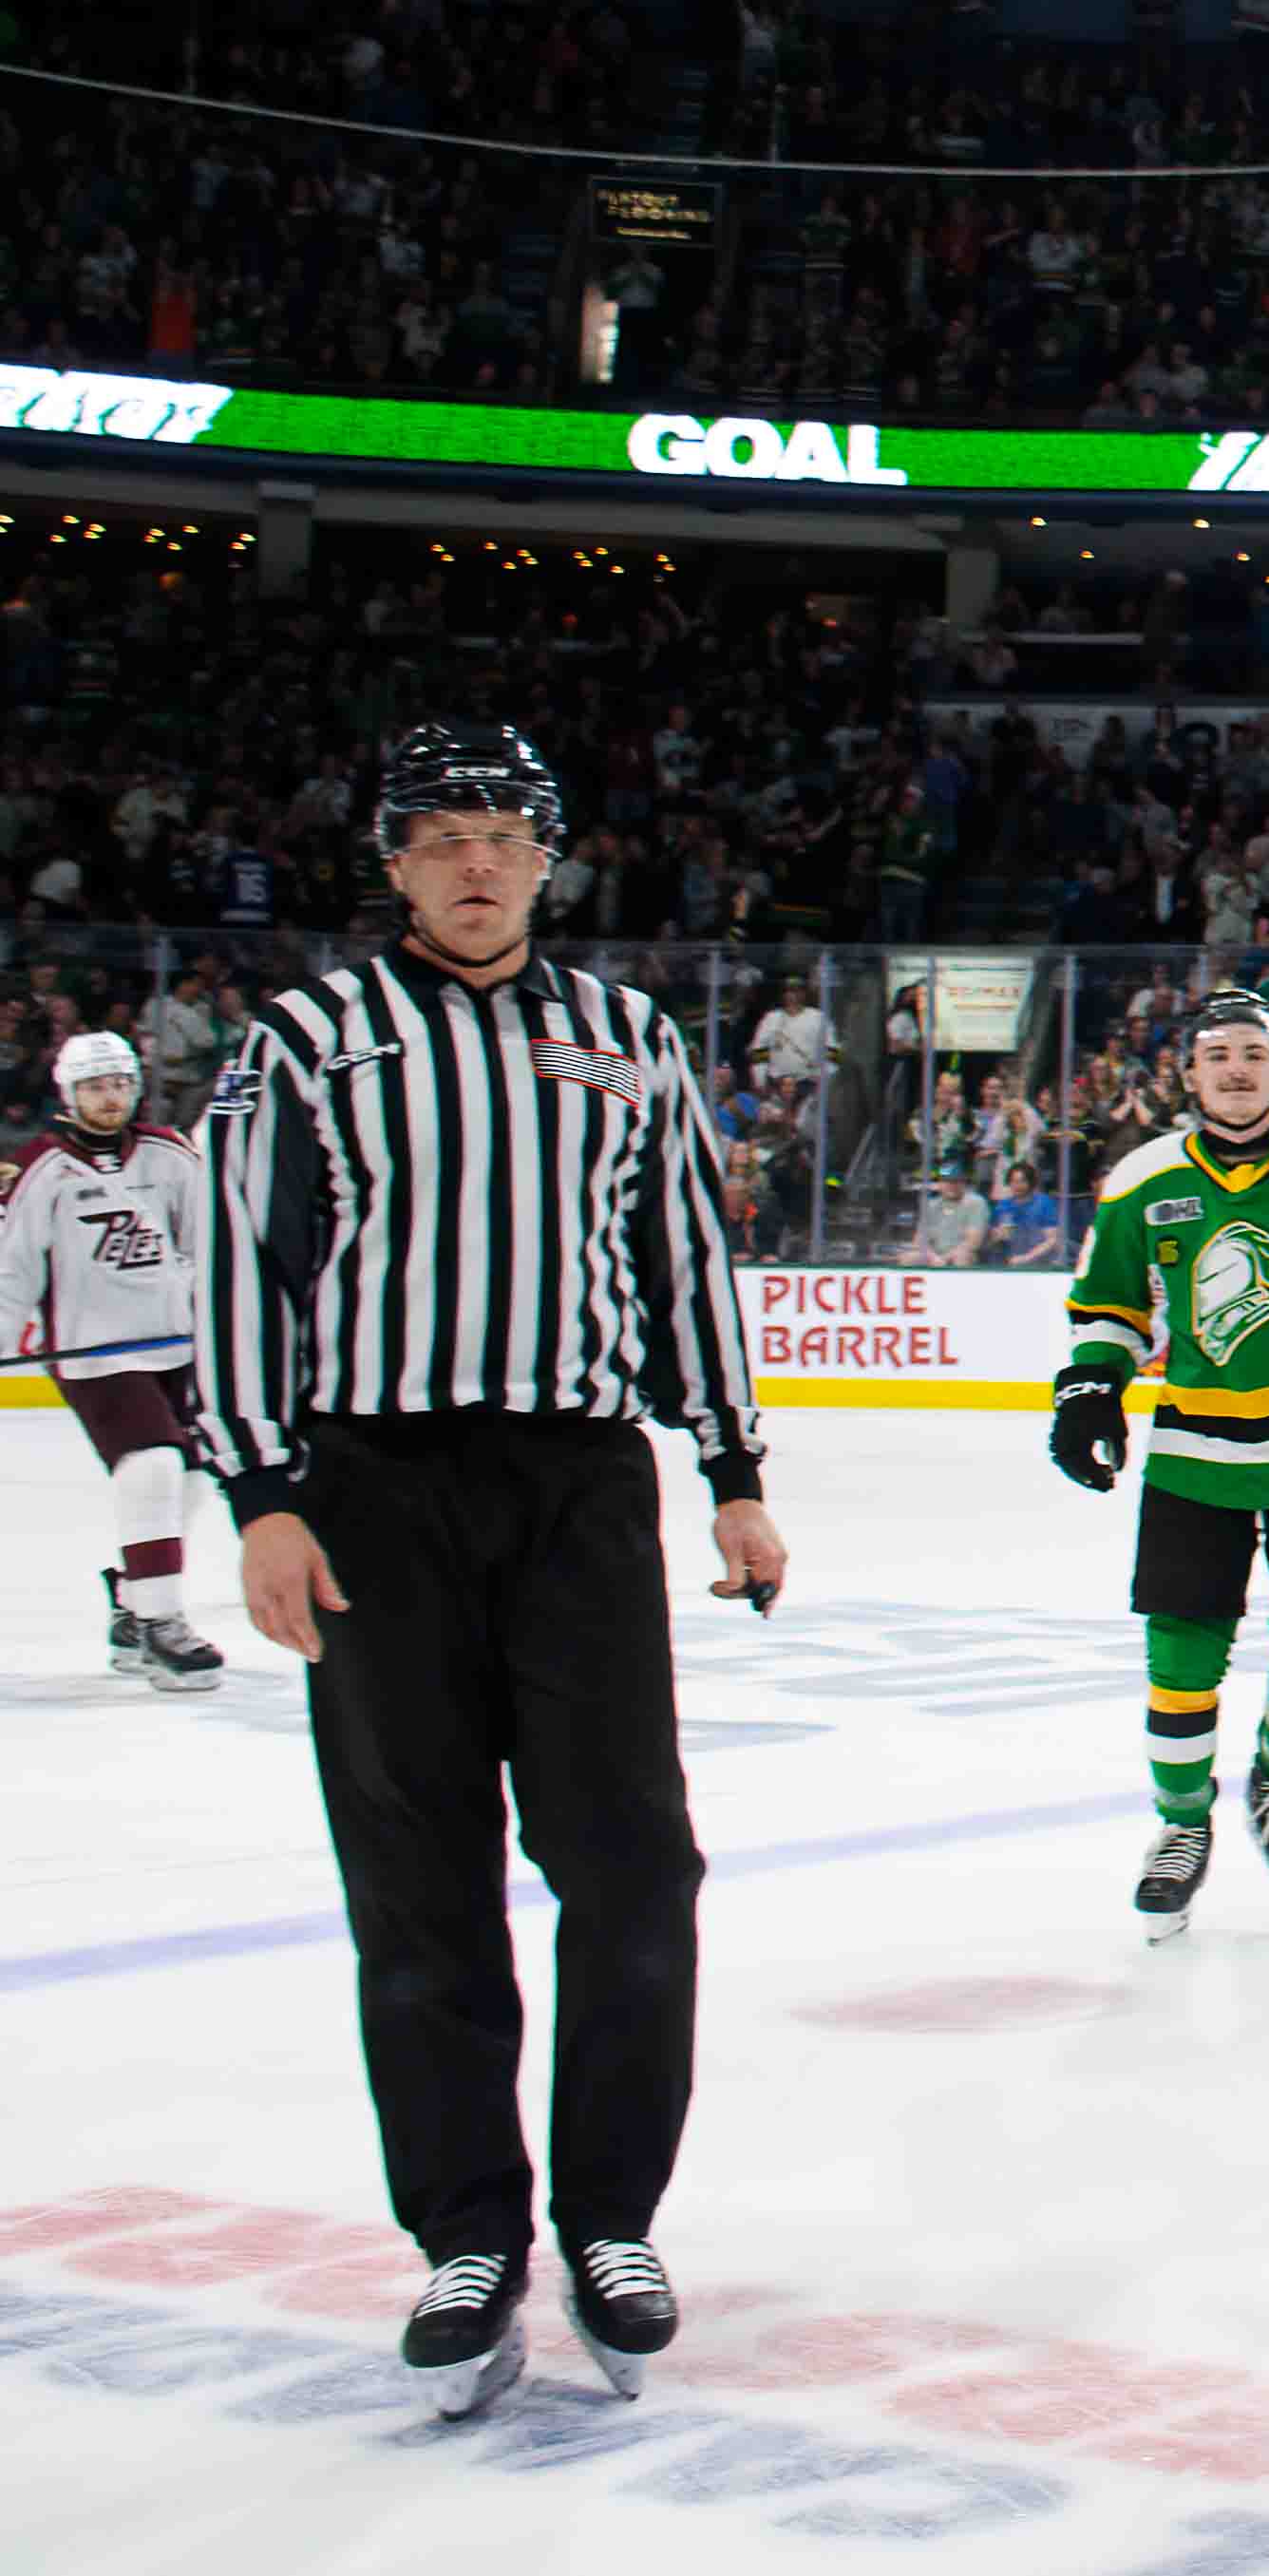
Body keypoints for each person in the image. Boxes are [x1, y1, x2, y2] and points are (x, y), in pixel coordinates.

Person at [190, 721, 783, 2419]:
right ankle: (466, 2227)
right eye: (437, 835)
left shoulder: (627, 1036)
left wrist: (734, 1473)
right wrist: (264, 1492)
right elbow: (251, 1268)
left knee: (633, 1861)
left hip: (579, 1487)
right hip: (376, 1490)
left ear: (548, 855)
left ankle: (609, 2217)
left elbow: (684, 1254)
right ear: (391, 860)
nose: (471, 863)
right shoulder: (312, 1039)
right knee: (418, 1876)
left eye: (501, 835)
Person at [1049, 986, 1269, 1938]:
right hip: (1196, 1452)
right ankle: (1179, 1824)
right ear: (1190, 1072)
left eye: (1254, 1053)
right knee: (1178, 1658)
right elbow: (1111, 1307)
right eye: (1218, 1055)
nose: (1237, 1069)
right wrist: (1089, 1383)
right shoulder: (1143, 1179)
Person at [0, 1026, 217, 1684]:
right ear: (70, 1092)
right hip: (94, 1352)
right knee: (151, 1464)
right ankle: (159, 1623)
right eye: (96, 1085)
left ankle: (132, 1599)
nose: (111, 1096)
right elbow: (12, 1272)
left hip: (173, 1343)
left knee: (192, 1473)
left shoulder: (169, 1153)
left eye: (121, 1082)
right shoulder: (43, 1167)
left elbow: (208, 1249)